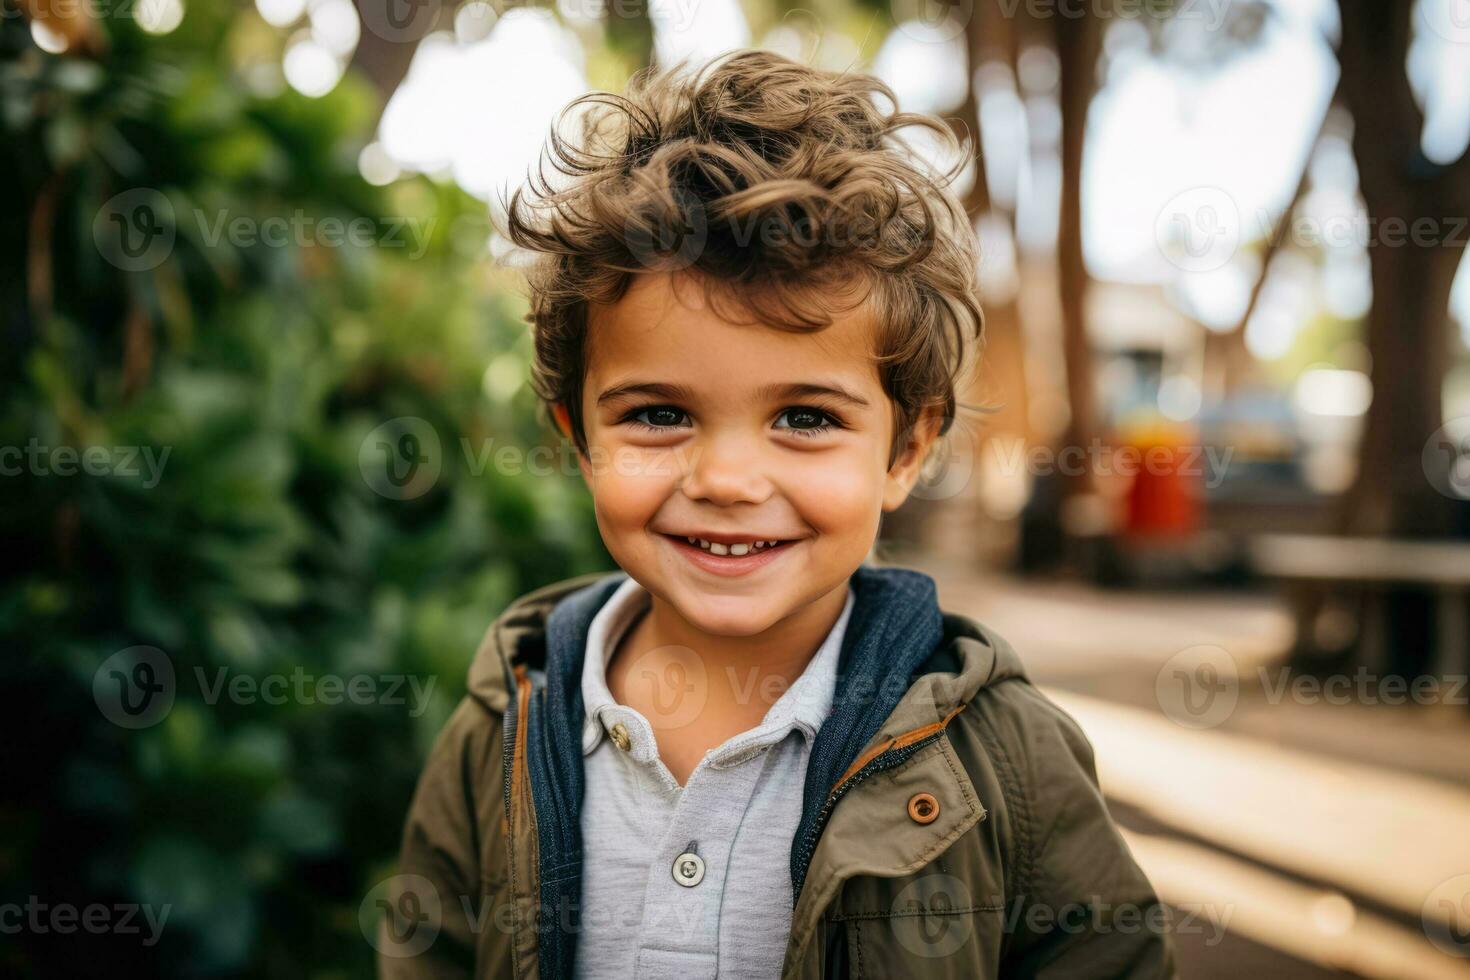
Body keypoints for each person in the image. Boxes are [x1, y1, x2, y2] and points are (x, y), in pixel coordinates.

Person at [382, 50, 1174, 979]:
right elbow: (430, 952)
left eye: (804, 419)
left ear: (906, 450)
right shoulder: (508, 716)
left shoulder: (1000, 757)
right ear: (577, 437)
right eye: (659, 415)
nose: (725, 477)